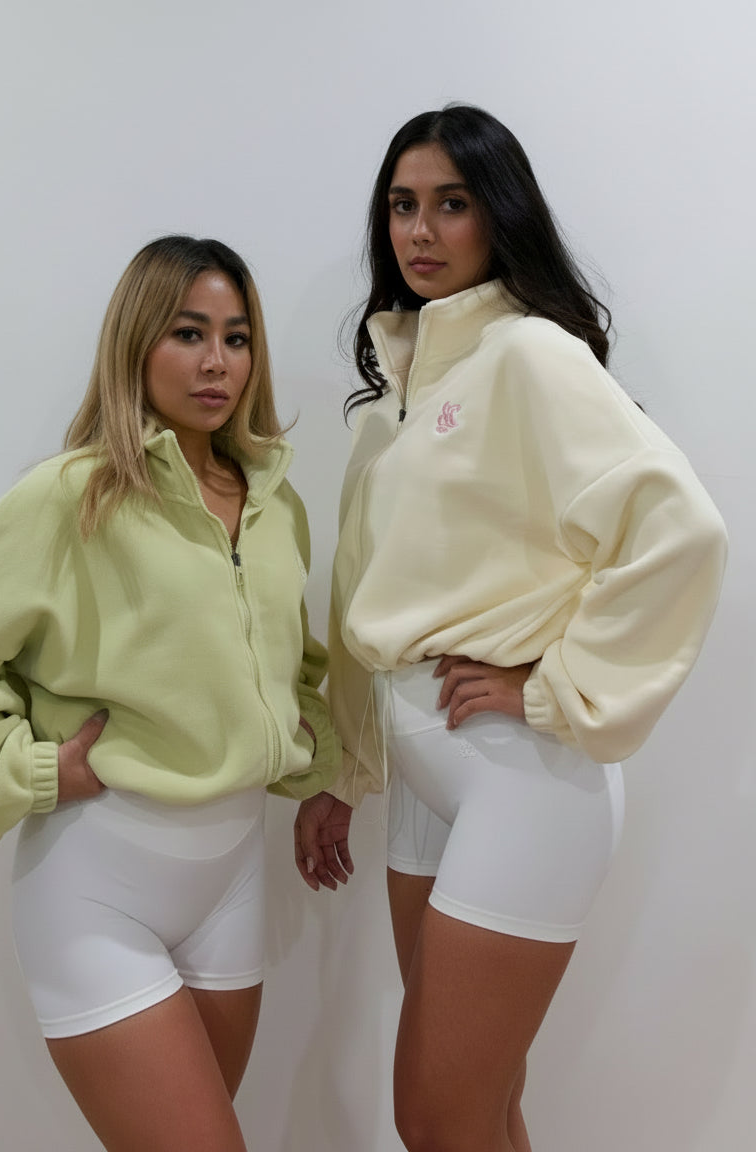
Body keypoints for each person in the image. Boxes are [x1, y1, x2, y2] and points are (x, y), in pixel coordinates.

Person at [293, 105, 727, 1152]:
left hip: (520, 772)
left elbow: (680, 530)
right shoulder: (389, 400)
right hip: (418, 783)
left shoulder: (530, 355)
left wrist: (552, 687)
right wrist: (339, 773)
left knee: (434, 1116)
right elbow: (362, 602)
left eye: (452, 203)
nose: (421, 231)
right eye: (402, 206)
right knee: (477, 1111)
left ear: (500, 217)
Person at [0, 235, 340, 1152]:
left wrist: (317, 768)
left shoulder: (272, 502)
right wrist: (28, 765)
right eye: (188, 333)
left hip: (232, 877)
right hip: (99, 883)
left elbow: (290, 664)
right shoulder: (75, 494)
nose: (218, 362)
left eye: (238, 337)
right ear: (137, 343)